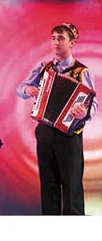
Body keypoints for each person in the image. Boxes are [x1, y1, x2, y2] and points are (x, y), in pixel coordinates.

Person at [16, 22, 98, 215]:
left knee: (72, 185)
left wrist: (83, 112)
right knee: (49, 184)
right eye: (53, 38)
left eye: (61, 38)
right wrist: (28, 89)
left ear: (72, 43)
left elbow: (92, 104)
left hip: (69, 134)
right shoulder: (43, 68)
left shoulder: (81, 72)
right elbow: (21, 89)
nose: (56, 42)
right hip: (45, 131)